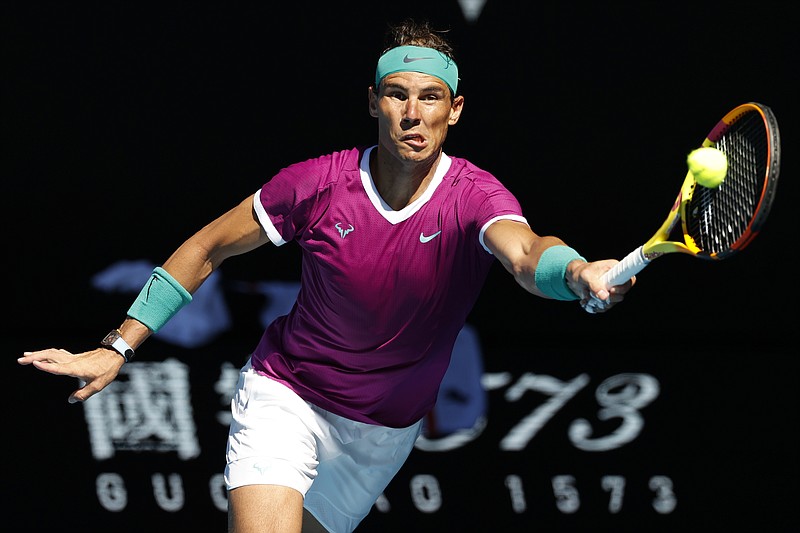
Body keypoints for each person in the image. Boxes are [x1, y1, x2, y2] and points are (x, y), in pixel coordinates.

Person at [18, 18, 633, 533]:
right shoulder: (317, 184)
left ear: (456, 108)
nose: (412, 114)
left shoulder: (474, 196)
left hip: (382, 433)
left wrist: (577, 271)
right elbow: (207, 247)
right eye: (396, 94)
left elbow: (526, 255)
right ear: (372, 102)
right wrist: (118, 347)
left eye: (430, 97)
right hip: (289, 395)